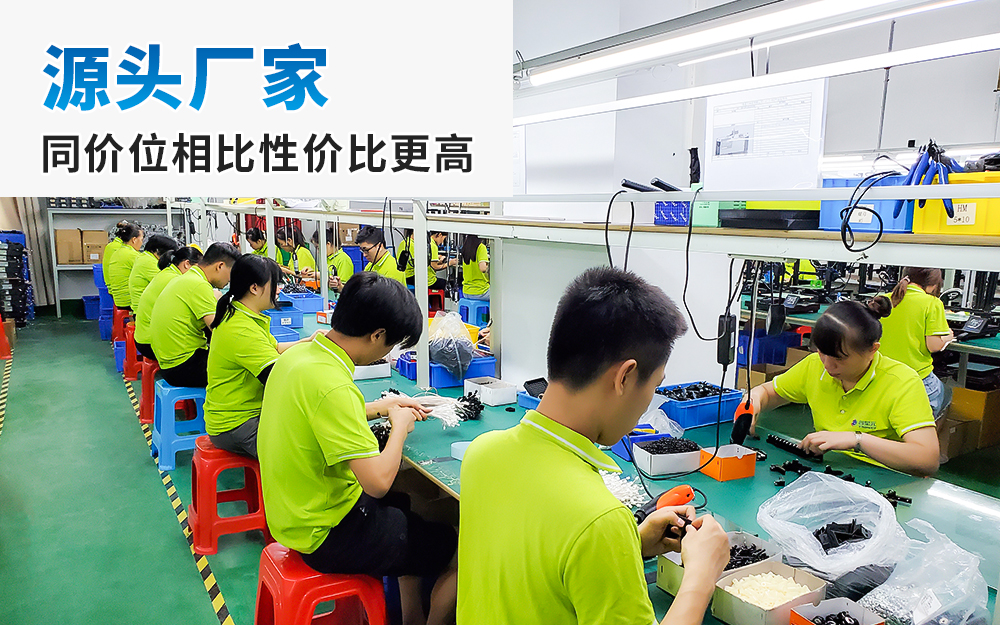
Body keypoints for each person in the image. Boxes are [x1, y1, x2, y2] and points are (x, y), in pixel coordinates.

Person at [458, 267, 731, 625]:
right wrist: (701, 575)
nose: (648, 401)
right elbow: (585, 529)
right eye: (654, 386)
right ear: (625, 377)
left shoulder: (482, 454)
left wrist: (631, 543)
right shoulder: (599, 522)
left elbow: (536, 563)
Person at [258, 273, 458, 625]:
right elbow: (377, 482)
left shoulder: (301, 356)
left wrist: (382, 406)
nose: (388, 353)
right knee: (459, 545)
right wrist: (399, 427)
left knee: (409, 503)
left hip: (293, 517)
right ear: (377, 335)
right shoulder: (333, 385)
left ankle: (410, 615)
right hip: (328, 533)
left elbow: (317, 410)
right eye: (391, 344)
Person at [747, 299, 940, 477]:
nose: (827, 365)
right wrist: (753, 400)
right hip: (830, 475)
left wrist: (857, 440)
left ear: (872, 350)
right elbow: (767, 392)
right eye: (822, 352)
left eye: (839, 358)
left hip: (886, 482)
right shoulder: (814, 366)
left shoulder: (901, 382)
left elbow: (927, 459)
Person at [204, 255, 316, 458]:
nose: (278, 291)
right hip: (237, 425)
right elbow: (279, 378)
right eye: (275, 285)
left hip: (242, 414)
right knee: (312, 447)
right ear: (254, 288)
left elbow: (275, 348)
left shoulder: (242, 314)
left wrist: (309, 341)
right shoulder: (241, 330)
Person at [149, 242, 241, 388]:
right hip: (182, 367)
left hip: (169, 362)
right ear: (220, 266)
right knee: (243, 369)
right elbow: (220, 331)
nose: (231, 280)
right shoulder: (199, 285)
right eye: (232, 274)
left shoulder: (188, 278)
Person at [876, 268, 954, 419]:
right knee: (947, 393)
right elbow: (934, 346)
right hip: (916, 377)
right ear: (933, 285)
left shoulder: (884, 300)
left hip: (881, 376)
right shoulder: (932, 303)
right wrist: (947, 337)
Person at [134, 246, 203, 362]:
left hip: (144, 336)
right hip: (150, 343)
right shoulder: (175, 280)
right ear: (187, 264)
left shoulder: (167, 273)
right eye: (198, 268)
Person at [128, 235, 180, 317]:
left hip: (144, 308)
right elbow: (169, 282)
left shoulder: (145, 257)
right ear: (157, 250)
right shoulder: (148, 262)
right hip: (145, 312)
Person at [104, 223, 144, 309]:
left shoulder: (117, 252)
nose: (142, 243)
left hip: (119, 298)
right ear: (134, 240)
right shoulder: (133, 255)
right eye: (141, 239)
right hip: (129, 300)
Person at [308, 226, 355, 292]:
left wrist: (322, 276)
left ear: (328, 244)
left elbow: (343, 288)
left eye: (318, 248)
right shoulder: (327, 259)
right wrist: (311, 273)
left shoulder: (343, 259)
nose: (318, 252)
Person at [459, 235, 489, 301]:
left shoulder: (466, 248)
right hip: (481, 292)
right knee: (502, 294)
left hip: (466, 292)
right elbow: (483, 268)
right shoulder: (481, 247)